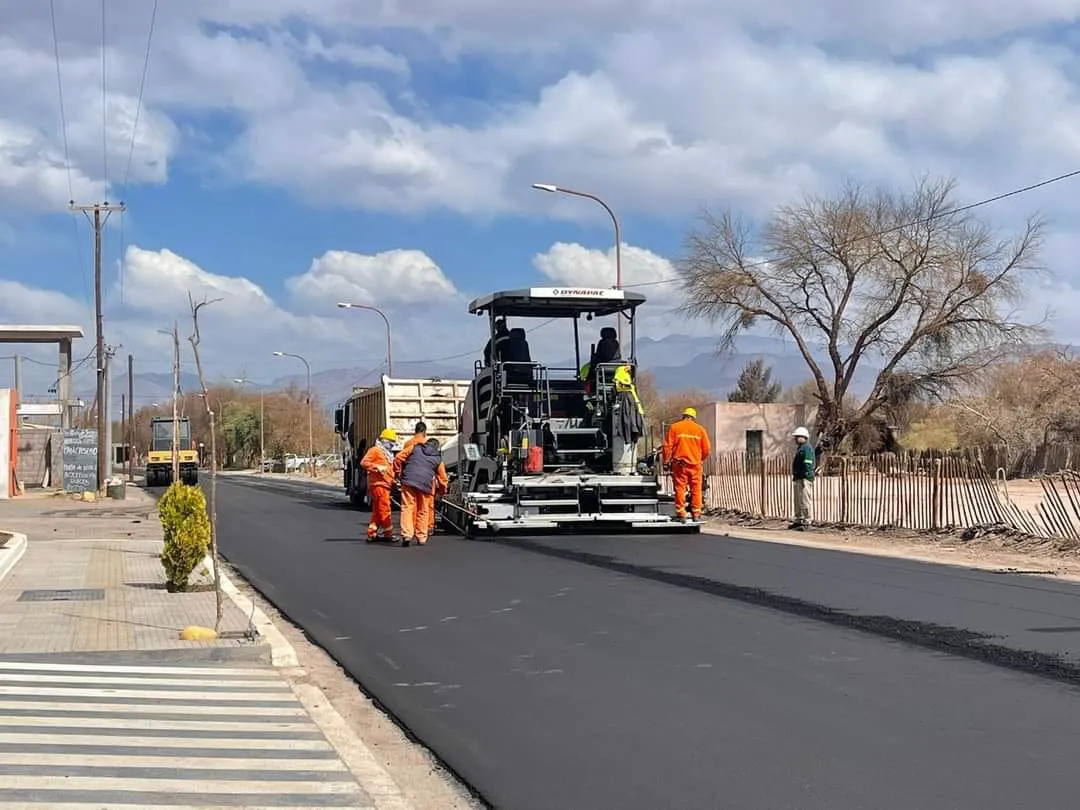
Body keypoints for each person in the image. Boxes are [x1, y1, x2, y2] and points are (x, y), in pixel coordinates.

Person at [394, 437, 448, 547]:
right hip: (425, 485)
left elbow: (398, 458)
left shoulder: (414, 448)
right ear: (437, 448)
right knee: (423, 510)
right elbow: (443, 479)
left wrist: (398, 474)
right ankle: (421, 537)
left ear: (426, 444)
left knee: (407, 507)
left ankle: (407, 535)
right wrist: (441, 493)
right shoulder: (438, 459)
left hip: (408, 480)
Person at [662, 407, 711, 522]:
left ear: (683, 416)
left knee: (680, 488)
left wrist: (666, 461)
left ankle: (681, 513)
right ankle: (696, 514)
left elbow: (667, 446)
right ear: (693, 418)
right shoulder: (700, 430)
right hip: (696, 465)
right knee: (696, 489)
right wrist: (700, 459)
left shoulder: (675, 427)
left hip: (679, 465)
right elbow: (707, 449)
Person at [360, 428, 397, 541]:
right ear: (384, 440)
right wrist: (377, 467)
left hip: (384, 484)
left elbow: (388, 470)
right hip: (378, 485)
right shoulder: (375, 450)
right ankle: (388, 533)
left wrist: (393, 480)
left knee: (377, 510)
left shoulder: (387, 454)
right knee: (385, 509)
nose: (392, 445)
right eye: (390, 442)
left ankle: (372, 533)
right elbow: (364, 462)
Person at [400, 421, 436, 535]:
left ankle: (408, 531)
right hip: (427, 479)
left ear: (415, 431)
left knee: (409, 506)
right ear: (425, 432)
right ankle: (426, 529)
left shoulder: (408, 444)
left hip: (409, 477)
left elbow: (401, 460)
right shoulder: (428, 445)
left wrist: (399, 475)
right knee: (425, 507)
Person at [790, 426, 815, 530]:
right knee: (798, 500)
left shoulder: (806, 449)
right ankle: (799, 519)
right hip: (799, 478)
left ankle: (807, 520)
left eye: (797, 437)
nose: (795, 439)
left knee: (805, 500)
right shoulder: (801, 448)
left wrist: (806, 476)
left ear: (803, 437)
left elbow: (808, 464)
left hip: (804, 478)